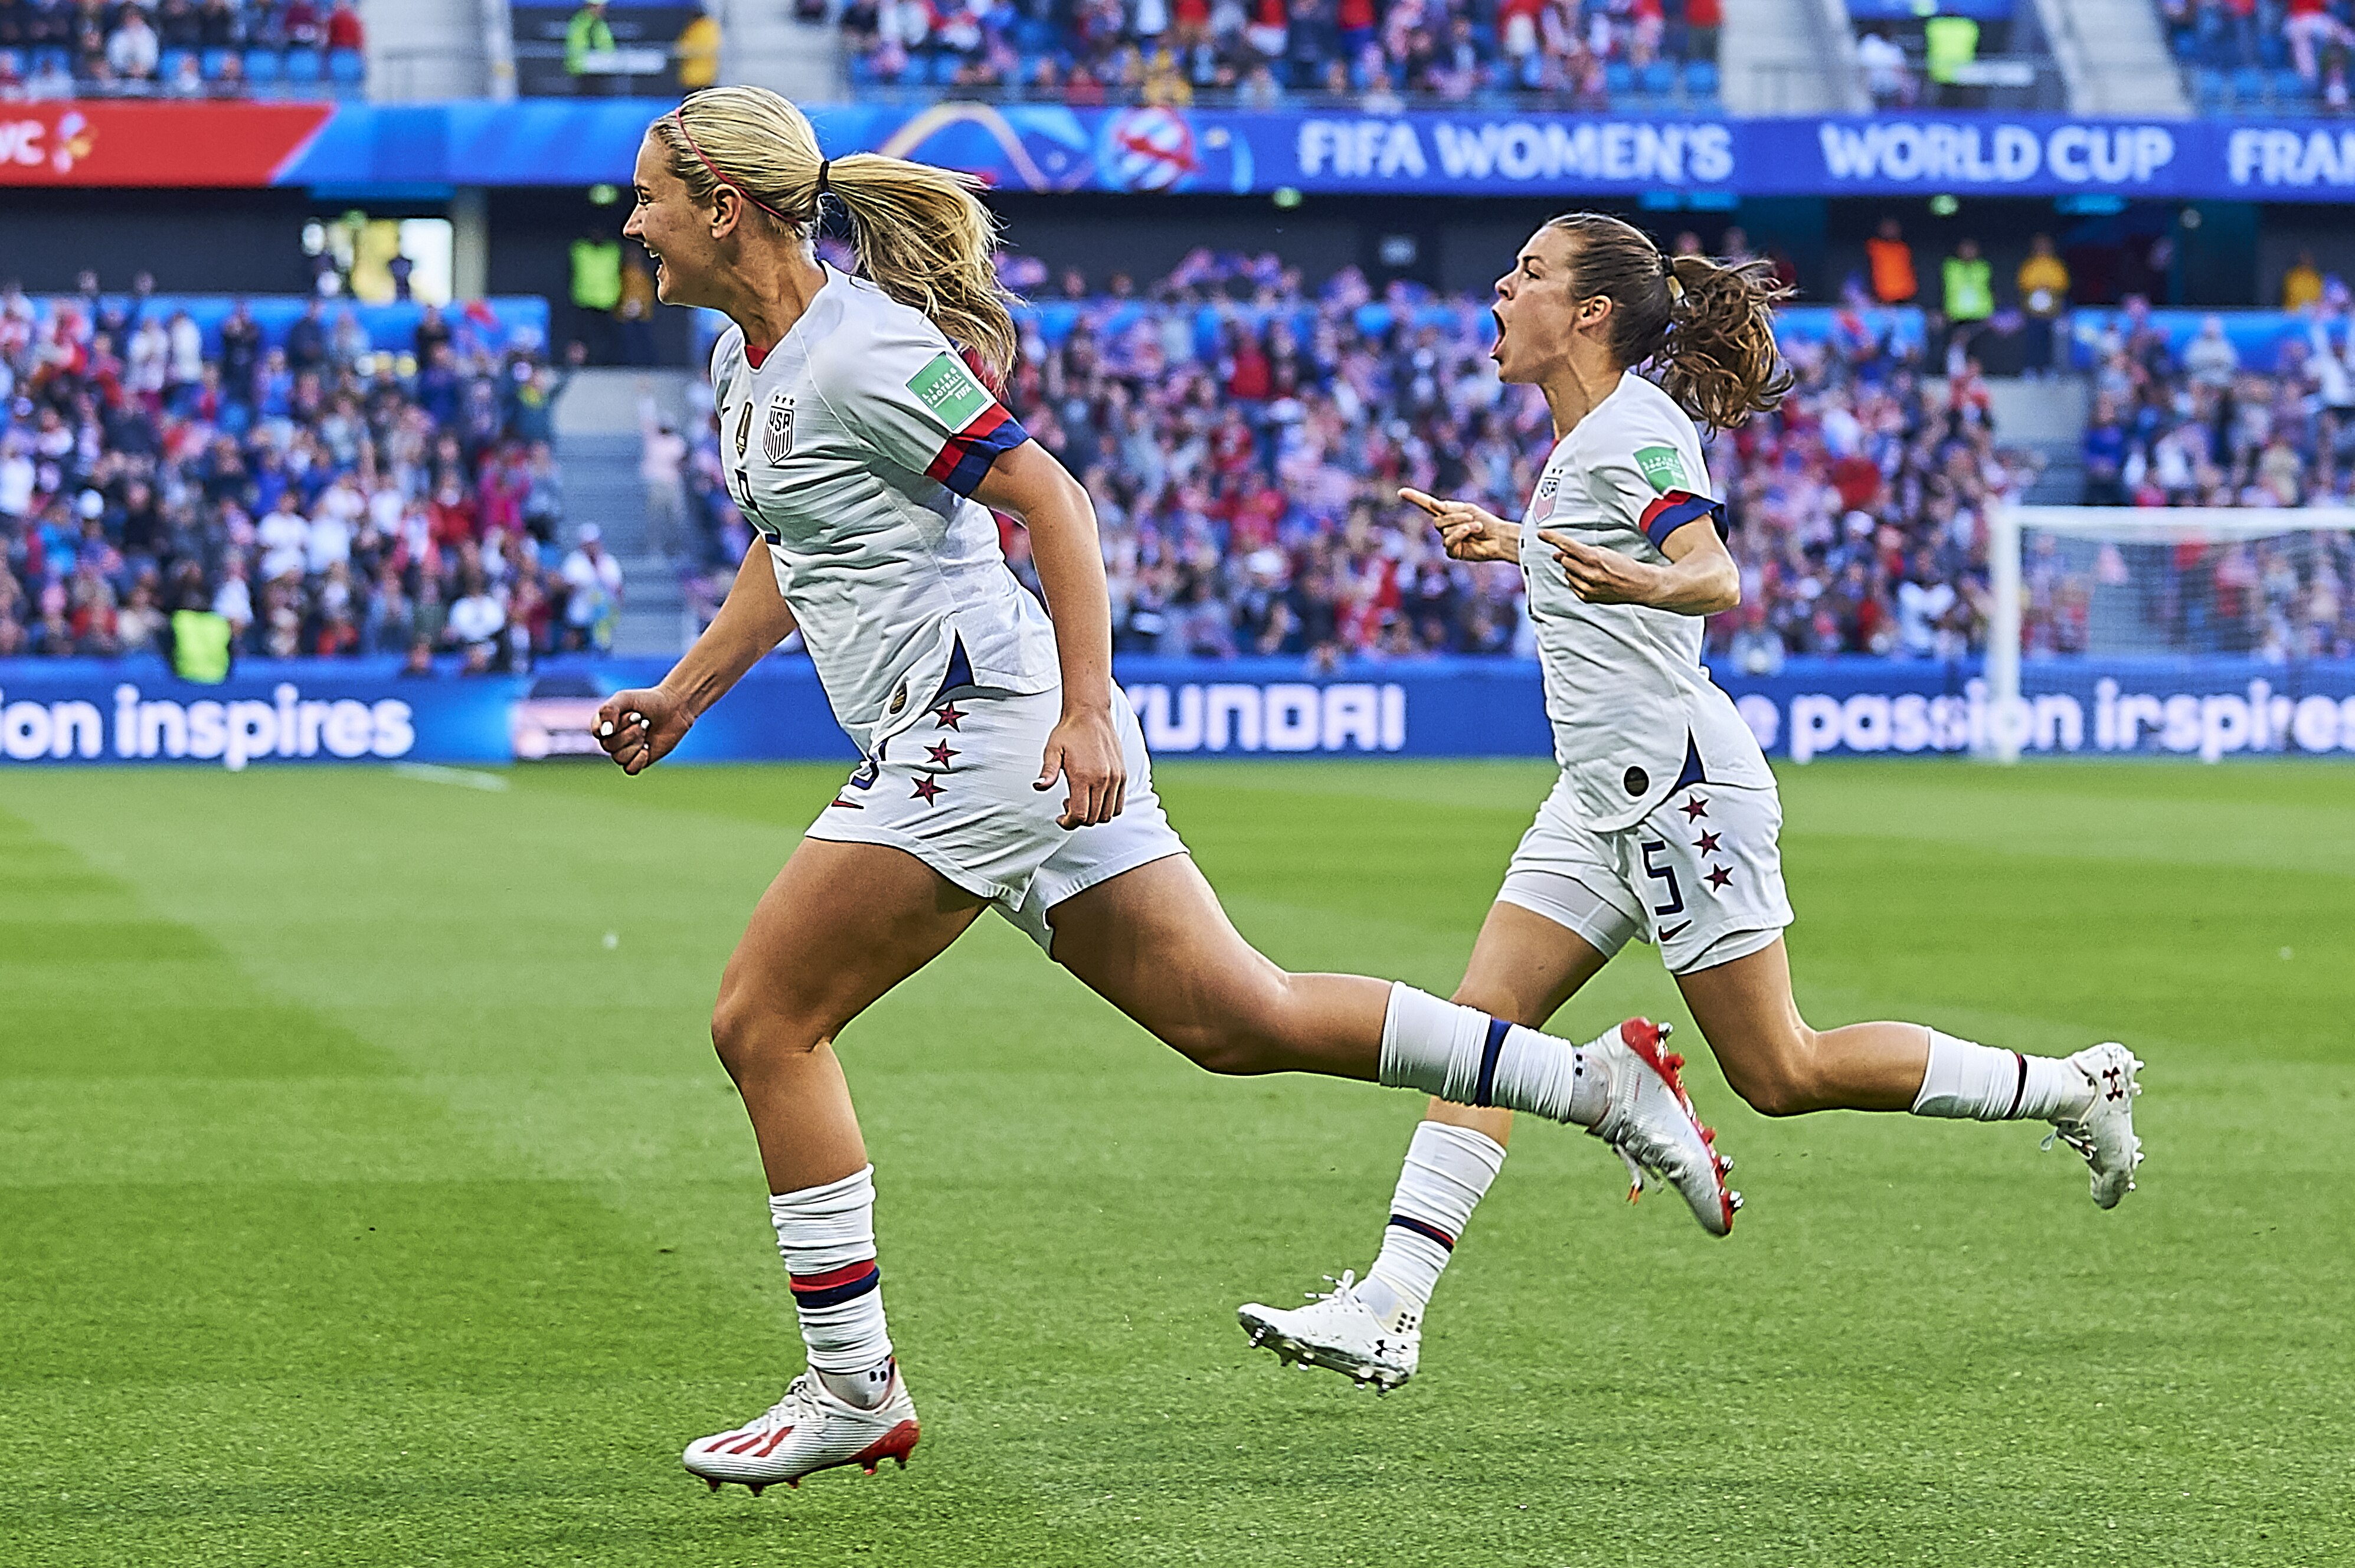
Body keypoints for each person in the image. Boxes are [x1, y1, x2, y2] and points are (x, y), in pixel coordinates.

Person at [596, 86, 1730, 1494]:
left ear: (724, 209)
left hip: (985, 725)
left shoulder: (863, 351)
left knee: (766, 1019)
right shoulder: (747, 366)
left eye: (649, 193)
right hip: (984, 730)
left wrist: (1082, 712)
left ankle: (852, 1385)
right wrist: (687, 692)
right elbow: (796, 538)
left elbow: (1050, 499)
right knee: (1234, 1016)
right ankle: (1594, 1079)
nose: (631, 220)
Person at [1233, 214, 2145, 1393]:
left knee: (1781, 1069)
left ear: (1591, 312)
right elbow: (1608, 556)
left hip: (1676, 792)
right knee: (1480, 1029)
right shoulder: (1588, 441)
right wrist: (1514, 543)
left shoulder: (1636, 430)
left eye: (1529, 274)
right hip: (1596, 796)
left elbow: (1714, 572)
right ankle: (1390, 1305)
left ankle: (2076, 1083)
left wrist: (1652, 578)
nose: (1503, 292)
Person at [2016, 233, 2069, 376]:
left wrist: (2048, 286)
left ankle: (2049, 369)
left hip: (2051, 311)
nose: (2042, 248)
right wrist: (2038, 285)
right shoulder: (2029, 265)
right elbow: (2023, 284)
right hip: (2033, 311)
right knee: (2033, 340)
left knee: (2050, 340)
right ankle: (2031, 368)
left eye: (2045, 245)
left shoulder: (2056, 265)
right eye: (2039, 245)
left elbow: (2063, 284)